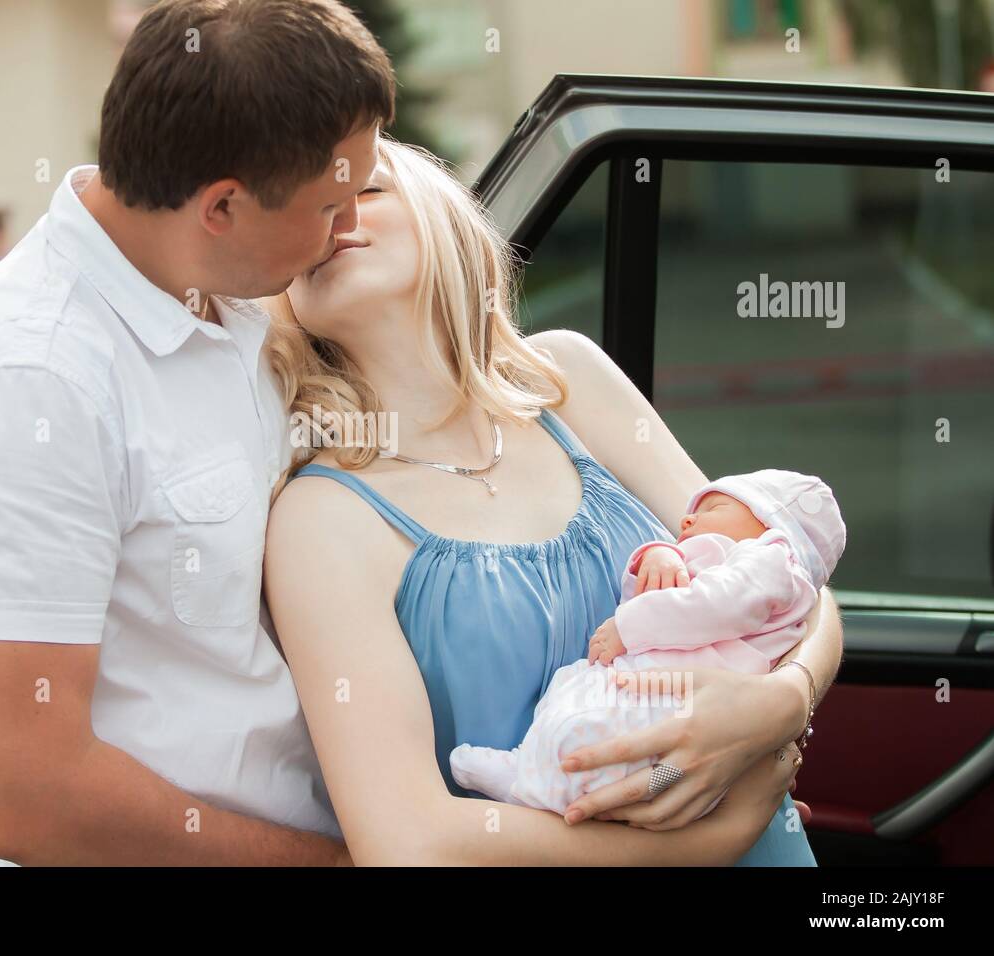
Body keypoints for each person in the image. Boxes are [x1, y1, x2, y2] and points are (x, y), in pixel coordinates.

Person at [0, 0, 395, 865]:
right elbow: (26, 793)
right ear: (222, 206)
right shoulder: (24, 388)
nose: (352, 228)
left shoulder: (233, 290)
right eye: (332, 204)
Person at [262, 136, 843, 865]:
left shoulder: (568, 379)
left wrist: (784, 700)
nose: (336, 218)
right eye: (311, 209)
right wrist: (701, 843)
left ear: (445, 216)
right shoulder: (320, 520)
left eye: (367, 191)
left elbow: (791, 560)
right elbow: (407, 843)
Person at [449, 470, 846, 819]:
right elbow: (655, 597)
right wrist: (658, 554)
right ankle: (532, 767)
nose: (689, 517)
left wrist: (628, 626)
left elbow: (713, 608)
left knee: (612, 735)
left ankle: (540, 790)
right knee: (573, 686)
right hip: (647, 682)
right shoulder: (727, 559)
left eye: (714, 508)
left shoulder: (771, 562)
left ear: (772, 524)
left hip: (677, 701)